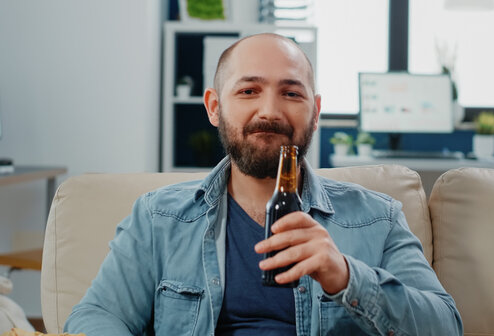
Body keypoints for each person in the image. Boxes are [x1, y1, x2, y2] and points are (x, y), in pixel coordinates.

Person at [64, 33, 463, 335]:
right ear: (214, 107)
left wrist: (345, 275)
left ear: (316, 111)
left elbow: (446, 326)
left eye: (291, 93)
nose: (269, 111)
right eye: (249, 91)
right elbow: (96, 315)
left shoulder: (378, 218)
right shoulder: (157, 217)